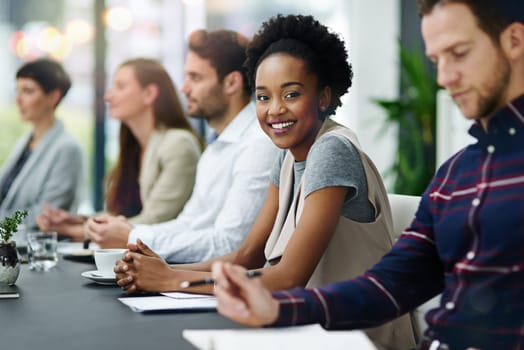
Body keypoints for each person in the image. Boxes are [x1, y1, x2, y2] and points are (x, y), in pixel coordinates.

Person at [211, 2, 524, 349]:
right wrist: (276, 307)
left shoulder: (335, 149)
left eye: (459, 53)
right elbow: (390, 286)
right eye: (437, 61)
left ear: (514, 41)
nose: (444, 78)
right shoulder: (455, 176)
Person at [115, 15, 416, 350]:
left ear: (323, 97)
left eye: (291, 94)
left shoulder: (332, 150)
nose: (275, 110)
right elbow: (247, 255)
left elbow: (288, 278)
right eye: (262, 97)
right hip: (305, 330)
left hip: (357, 338)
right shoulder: (286, 155)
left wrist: (172, 279)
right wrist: (162, 267)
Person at [85, 30, 278, 256]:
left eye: (195, 78)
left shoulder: (257, 144)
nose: (184, 88)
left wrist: (132, 237)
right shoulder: (215, 147)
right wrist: (130, 230)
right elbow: (189, 223)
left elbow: (230, 243)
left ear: (231, 83)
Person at [36, 58, 201, 242]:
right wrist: (80, 220)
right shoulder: (135, 146)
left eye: (120, 87)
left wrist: (75, 230)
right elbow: (121, 214)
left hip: (166, 262)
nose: (108, 96)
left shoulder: (179, 144)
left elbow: (154, 220)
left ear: (149, 94)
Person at [0, 58, 83, 229]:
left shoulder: (67, 149)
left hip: (35, 249)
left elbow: (47, 216)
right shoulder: (24, 142)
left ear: (53, 97)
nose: (18, 99)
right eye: (18, 90)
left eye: (28, 91)